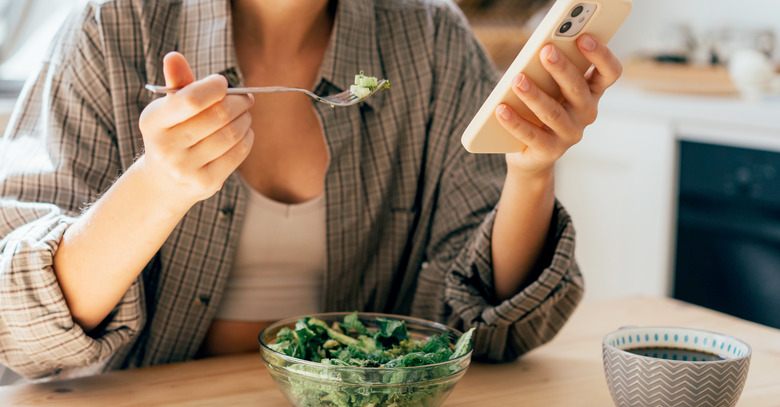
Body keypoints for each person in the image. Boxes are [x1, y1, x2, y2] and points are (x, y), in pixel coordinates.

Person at [0, 0, 622, 380]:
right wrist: (158, 187)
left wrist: (531, 171)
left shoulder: (431, 41)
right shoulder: (112, 27)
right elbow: (18, 324)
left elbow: (493, 327)